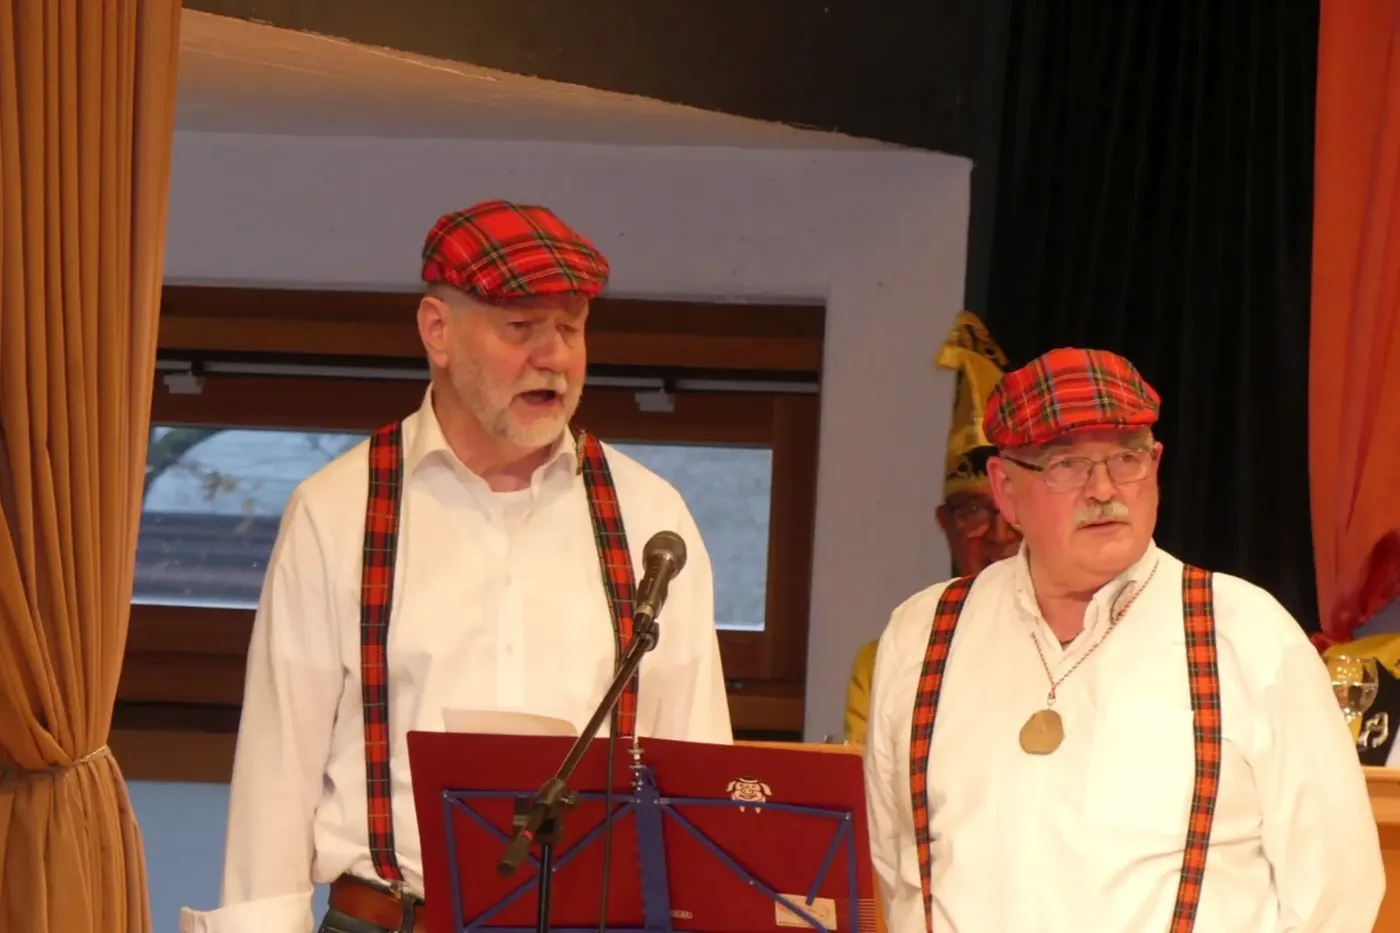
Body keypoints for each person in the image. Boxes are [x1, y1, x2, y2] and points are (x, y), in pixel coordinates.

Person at [179, 199, 733, 933]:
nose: (555, 356)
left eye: (570, 327)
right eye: (521, 327)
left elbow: (696, 768)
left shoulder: (651, 517)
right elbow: (276, 774)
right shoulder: (339, 510)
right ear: (437, 330)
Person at [864, 346, 1385, 932]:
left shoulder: (1247, 633)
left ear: (1155, 466)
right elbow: (894, 868)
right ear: (1005, 488)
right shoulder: (924, 634)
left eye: (1126, 458)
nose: (1103, 488)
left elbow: (1337, 893)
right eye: (1067, 464)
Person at [842, 312, 1021, 744]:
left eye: (1015, 511)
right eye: (975, 512)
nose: (1000, 536)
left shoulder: (1086, 650)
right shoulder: (892, 659)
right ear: (945, 524)